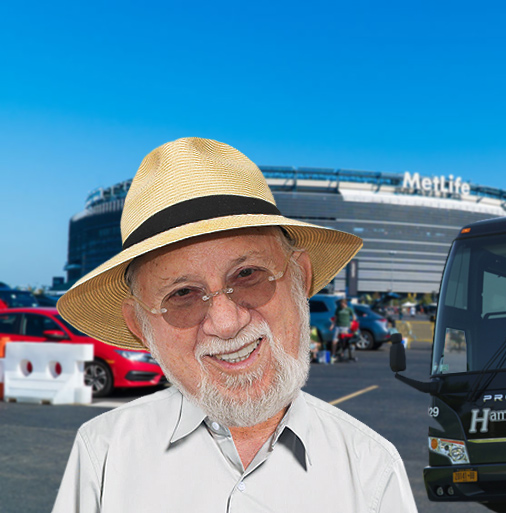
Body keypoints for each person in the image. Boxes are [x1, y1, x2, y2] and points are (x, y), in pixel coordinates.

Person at [52, 138, 418, 512]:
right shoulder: (103, 455)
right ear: (139, 325)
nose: (226, 323)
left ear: (301, 278)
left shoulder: (371, 470)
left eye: (248, 273)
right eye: (182, 294)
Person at [331, 298, 355, 363]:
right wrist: (332, 325)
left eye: (342, 304)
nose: (341, 305)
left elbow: (354, 317)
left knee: (343, 341)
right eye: (340, 304)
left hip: (345, 327)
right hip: (338, 327)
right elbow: (335, 318)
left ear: (345, 304)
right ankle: (333, 354)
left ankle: (342, 353)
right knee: (334, 341)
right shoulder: (338, 309)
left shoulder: (349, 309)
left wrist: (352, 323)